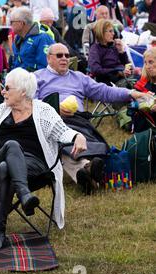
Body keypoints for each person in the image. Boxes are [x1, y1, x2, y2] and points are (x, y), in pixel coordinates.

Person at [0, 67, 88, 249]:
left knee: (6, 168)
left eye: (7, 88)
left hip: (33, 166)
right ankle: (24, 194)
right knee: (11, 145)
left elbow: (64, 132)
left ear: (22, 92)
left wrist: (79, 136)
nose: (3, 92)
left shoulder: (44, 111)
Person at [35, 43, 152, 193]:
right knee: (60, 140)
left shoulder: (78, 77)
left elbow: (103, 91)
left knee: (96, 144)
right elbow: (30, 103)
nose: (64, 59)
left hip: (78, 120)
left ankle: (88, 171)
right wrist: (54, 108)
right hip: (51, 121)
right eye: (59, 55)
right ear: (48, 58)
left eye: (66, 55)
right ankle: (86, 170)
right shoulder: (37, 77)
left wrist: (131, 93)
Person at [10, 6, 54, 71]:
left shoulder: (42, 38)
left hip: (36, 79)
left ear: (22, 23)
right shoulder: (18, 38)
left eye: (12, 22)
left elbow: (45, 68)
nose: (10, 25)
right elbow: (16, 63)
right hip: (19, 78)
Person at [88, 19, 130, 85]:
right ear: (102, 32)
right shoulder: (95, 49)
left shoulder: (113, 46)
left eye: (113, 31)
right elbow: (96, 70)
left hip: (123, 79)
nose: (113, 34)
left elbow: (127, 64)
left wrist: (121, 52)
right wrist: (117, 72)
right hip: (108, 83)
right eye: (110, 31)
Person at [132, 47, 156, 132]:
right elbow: (133, 106)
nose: (147, 66)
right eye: (145, 63)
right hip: (147, 127)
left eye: (151, 62)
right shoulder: (141, 85)